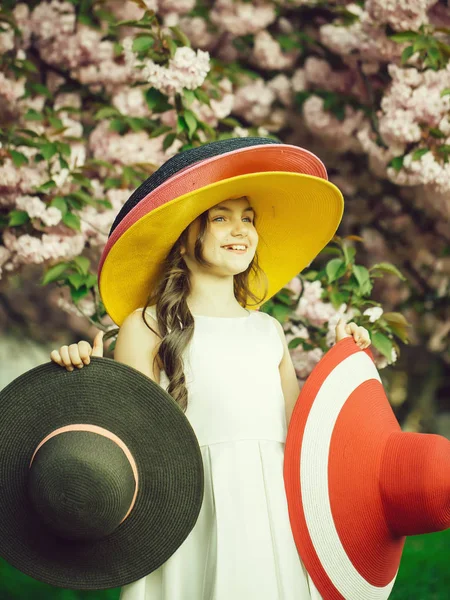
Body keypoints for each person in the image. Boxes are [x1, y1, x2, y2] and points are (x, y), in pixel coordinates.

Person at [50, 141, 371, 599]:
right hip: (190, 515)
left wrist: (341, 363)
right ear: (184, 238)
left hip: (274, 518)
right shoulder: (147, 325)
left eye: (248, 218)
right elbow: (126, 439)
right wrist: (84, 374)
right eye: (220, 217)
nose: (240, 229)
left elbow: (306, 443)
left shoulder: (268, 331)